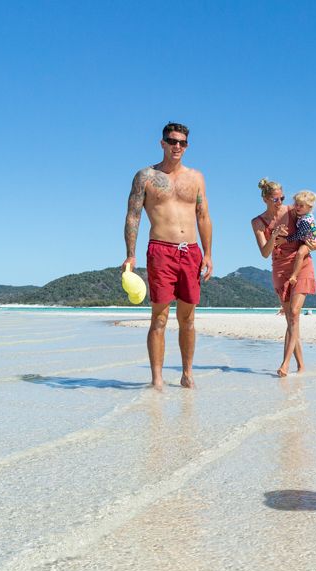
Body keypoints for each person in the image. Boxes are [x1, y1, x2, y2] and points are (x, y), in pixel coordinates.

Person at [122, 122, 213, 389]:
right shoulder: (145, 176)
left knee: (188, 319)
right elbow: (133, 215)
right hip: (161, 250)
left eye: (182, 143)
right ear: (162, 143)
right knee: (159, 318)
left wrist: (208, 254)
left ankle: (187, 374)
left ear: (187, 146)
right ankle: (157, 380)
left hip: (191, 251)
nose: (177, 147)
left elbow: (203, 216)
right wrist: (130, 254)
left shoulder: (196, 177)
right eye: (172, 141)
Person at [251, 180, 316, 377]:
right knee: (291, 319)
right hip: (280, 270)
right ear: (265, 199)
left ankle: (285, 364)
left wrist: (312, 244)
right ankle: (301, 367)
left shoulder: (293, 211)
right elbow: (265, 252)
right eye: (275, 198)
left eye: (282, 197)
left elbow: (311, 229)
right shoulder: (257, 222)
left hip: (302, 264)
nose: (280, 201)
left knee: (295, 314)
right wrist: (274, 236)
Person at [285, 190, 316, 290]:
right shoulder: (303, 216)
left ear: (309, 207)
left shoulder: (305, 220)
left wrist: (286, 240)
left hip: (310, 242)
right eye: (296, 204)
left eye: (301, 206)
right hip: (307, 240)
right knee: (300, 253)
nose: (297, 207)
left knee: (300, 254)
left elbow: (299, 234)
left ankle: (294, 275)